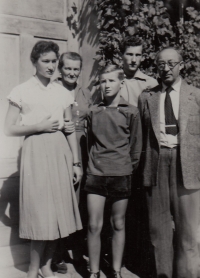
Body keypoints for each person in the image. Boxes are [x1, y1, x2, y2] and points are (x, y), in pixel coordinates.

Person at [4, 41, 82, 278]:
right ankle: (32, 268)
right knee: (40, 214)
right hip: (35, 152)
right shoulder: (22, 90)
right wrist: (38, 126)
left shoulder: (62, 92)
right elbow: (8, 128)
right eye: (45, 61)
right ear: (34, 62)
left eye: (53, 62)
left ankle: (46, 266)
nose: (50, 66)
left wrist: (76, 163)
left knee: (57, 213)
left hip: (60, 152)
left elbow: (70, 130)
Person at [138, 47, 200, 278]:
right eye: (160, 64)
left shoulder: (196, 95)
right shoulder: (147, 97)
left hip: (189, 168)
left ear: (181, 65)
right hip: (156, 165)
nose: (165, 69)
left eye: (171, 63)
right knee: (158, 231)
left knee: (189, 233)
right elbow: (142, 138)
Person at [85, 65, 142, 278]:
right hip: (96, 174)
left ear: (121, 83)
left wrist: (125, 168)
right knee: (93, 224)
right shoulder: (93, 111)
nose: (106, 85)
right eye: (103, 81)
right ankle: (94, 271)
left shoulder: (131, 112)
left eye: (111, 81)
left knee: (118, 223)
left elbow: (135, 147)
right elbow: (90, 144)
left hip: (121, 174)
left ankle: (116, 270)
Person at [52, 52, 92, 273]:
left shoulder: (84, 92)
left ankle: (77, 250)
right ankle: (57, 253)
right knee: (61, 201)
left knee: (79, 204)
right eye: (68, 68)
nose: (72, 72)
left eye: (76, 69)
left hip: (81, 153)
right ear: (60, 68)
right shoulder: (52, 90)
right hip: (60, 148)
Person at [120, 36, 158, 106]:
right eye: (130, 54)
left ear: (142, 57)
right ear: (121, 55)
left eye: (137, 55)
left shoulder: (151, 84)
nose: (134, 60)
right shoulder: (112, 81)